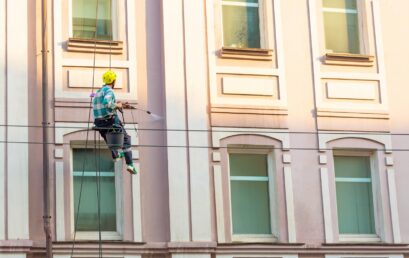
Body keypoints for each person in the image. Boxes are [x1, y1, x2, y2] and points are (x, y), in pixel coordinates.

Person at [92, 70, 138, 175]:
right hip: (109, 120)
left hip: (99, 122)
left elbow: (103, 104)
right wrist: (118, 106)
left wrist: (119, 103)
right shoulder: (109, 90)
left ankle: (116, 154)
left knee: (110, 139)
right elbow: (107, 103)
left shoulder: (98, 92)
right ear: (113, 80)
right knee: (126, 139)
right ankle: (130, 164)